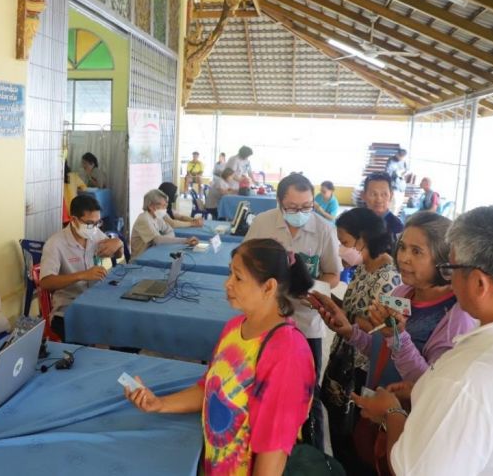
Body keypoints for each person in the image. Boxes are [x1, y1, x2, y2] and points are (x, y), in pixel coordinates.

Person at [351, 205, 493, 476]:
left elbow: (410, 470)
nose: (449, 280)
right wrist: (424, 389)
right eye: (403, 248)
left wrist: (392, 414)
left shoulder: (464, 380)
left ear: (479, 284)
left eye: (450, 268)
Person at [125, 239, 316, 475]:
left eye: (238, 277)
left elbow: (273, 452)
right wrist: (160, 404)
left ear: (268, 287)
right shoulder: (235, 328)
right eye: (229, 273)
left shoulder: (287, 351)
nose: (227, 284)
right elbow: (209, 389)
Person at [313, 212, 476, 473]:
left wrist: (397, 336)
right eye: (402, 247)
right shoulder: (401, 293)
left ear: (444, 261)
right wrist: (349, 331)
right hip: (375, 408)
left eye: (417, 251)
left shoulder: (455, 316)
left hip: (408, 429)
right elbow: (379, 348)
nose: (403, 257)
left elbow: (429, 386)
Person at [245, 172, 342, 450]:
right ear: (279, 203)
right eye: (293, 208)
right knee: (261, 381)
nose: (301, 213)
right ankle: (262, 439)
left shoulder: (324, 229)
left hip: (306, 321)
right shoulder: (263, 224)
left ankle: (309, 448)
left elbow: (333, 273)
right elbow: (245, 264)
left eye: (307, 207)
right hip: (265, 319)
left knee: (307, 390)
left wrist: (314, 286)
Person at [320, 208, 400, 475]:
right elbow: (354, 308)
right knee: (337, 428)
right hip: (343, 355)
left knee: (354, 436)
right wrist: (330, 303)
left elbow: (386, 328)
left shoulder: (392, 278)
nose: (342, 249)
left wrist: (347, 316)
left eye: (345, 242)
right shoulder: (363, 269)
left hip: (363, 368)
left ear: (363, 239)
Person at [39, 196, 123, 340]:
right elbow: (45, 282)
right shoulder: (55, 244)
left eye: (98, 223)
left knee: (123, 324)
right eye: (90, 223)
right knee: (106, 330)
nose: (94, 228)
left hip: (95, 301)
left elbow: (116, 253)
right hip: (68, 308)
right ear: (73, 220)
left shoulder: (94, 234)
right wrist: (81, 275)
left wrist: (118, 244)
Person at [131, 189, 198, 258]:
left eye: (165, 206)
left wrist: (162, 239)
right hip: (140, 259)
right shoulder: (144, 219)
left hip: (153, 254)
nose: (165, 209)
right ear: (151, 206)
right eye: (163, 206)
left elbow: (170, 231)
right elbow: (157, 240)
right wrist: (185, 240)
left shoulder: (157, 217)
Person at [362, 172, 404, 240]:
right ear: (364, 196)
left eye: (384, 194)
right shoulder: (357, 221)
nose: (379, 199)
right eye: (373, 194)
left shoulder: (397, 227)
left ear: (391, 196)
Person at [385, 149, 408, 215]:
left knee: (398, 207)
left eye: (403, 157)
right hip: (394, 187)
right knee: (393, 206)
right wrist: (396, 173)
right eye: (400, 156)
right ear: (397, 154)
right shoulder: (391, 161)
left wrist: (404, 174)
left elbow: (406, 170)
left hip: (401, 187)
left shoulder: (404, 162)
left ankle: (393, 221)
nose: (401, 158)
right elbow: (387, 173)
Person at [63, 160, 86, 224]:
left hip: (62, 209)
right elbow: (84, 188)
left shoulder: (56, 177)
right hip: (73, 206)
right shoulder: (73, 176)